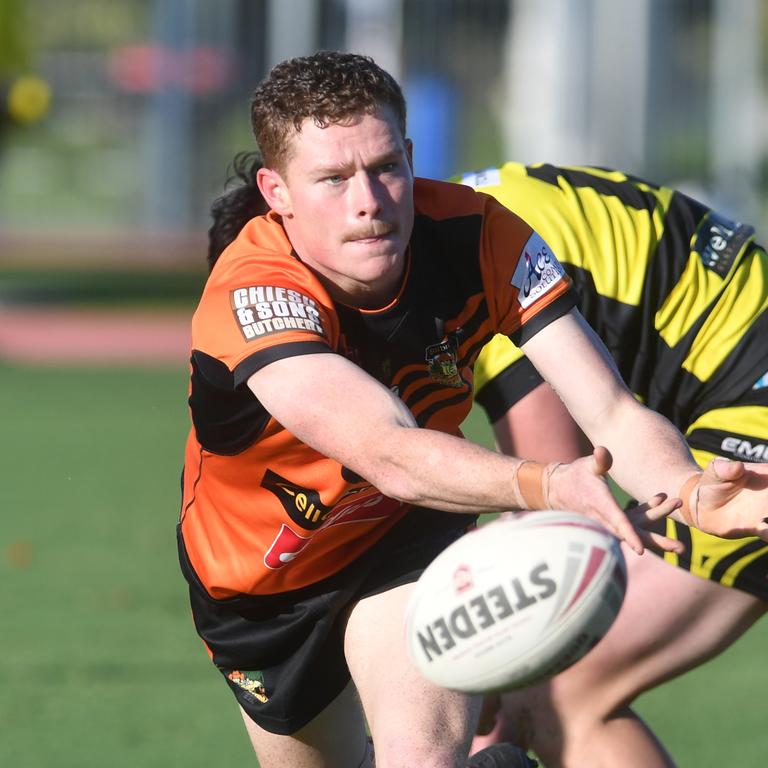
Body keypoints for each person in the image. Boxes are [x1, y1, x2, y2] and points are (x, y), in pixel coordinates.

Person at [179, 51, 768, 768]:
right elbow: (386, 450)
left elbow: (610, 412)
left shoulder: (484, 235)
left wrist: (691, 488)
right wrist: (550, 485)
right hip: (261, 586)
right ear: (278, 192)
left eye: (386, 166)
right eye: (332, 179)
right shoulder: (253, 295)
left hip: (402, 537)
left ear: (412, 156)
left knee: (425, 757)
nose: (368, 200)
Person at [460, 161, 768, 767]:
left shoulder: (471, 265)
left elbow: (558, 510)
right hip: (729, 396)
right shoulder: (464, 209)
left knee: (561, 691)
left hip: (747, 418)